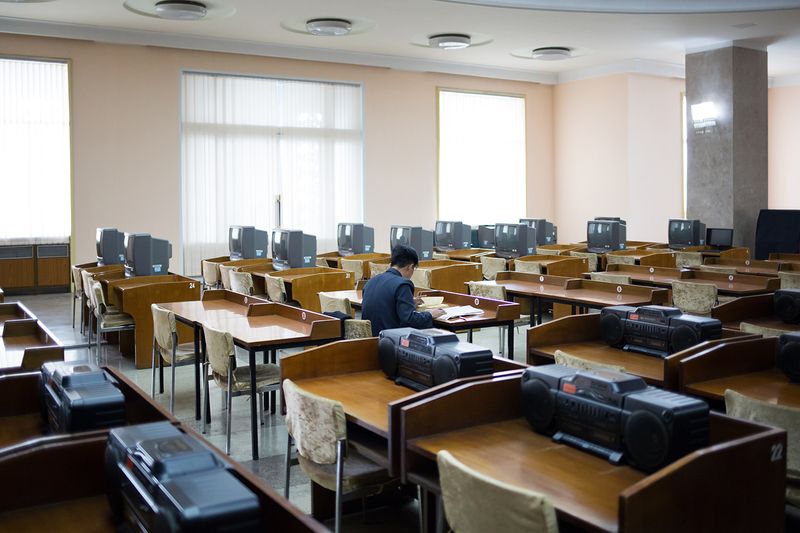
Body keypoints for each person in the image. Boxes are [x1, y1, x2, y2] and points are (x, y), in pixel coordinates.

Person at [362, 244, 445, 335]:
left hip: (370, 340)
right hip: (390, 341)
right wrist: (430, 314)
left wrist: (410, 303)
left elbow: (385, 307)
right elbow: (409, 320)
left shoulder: (371, 282)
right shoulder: (402, 284)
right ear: (410, 267)